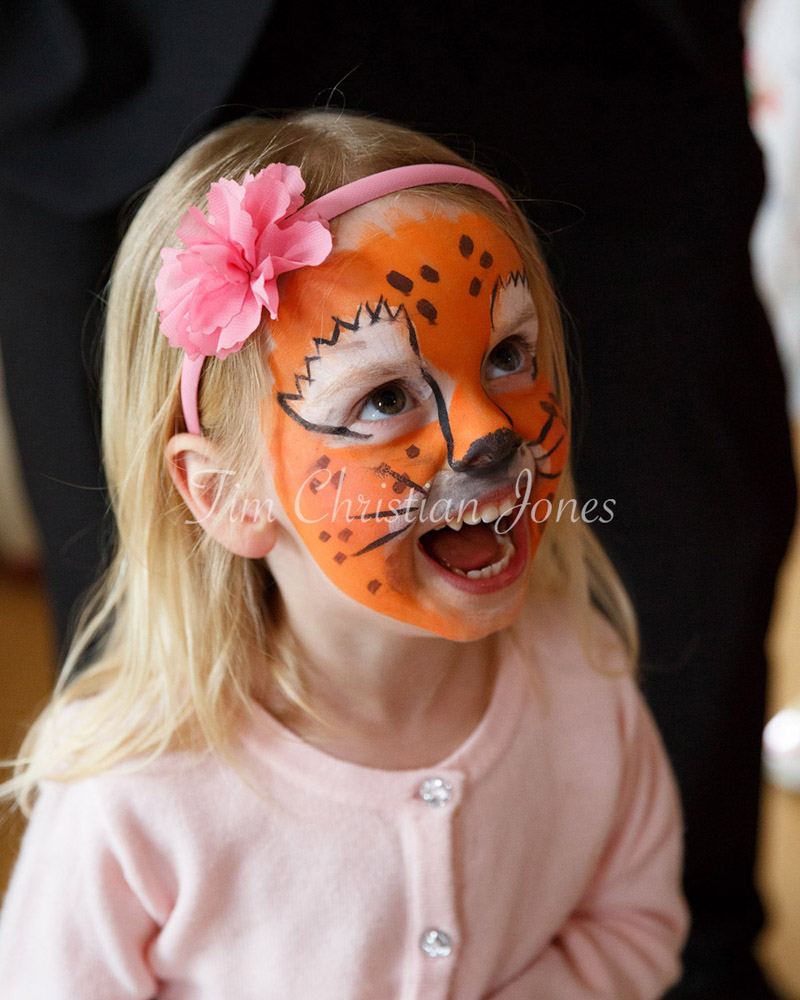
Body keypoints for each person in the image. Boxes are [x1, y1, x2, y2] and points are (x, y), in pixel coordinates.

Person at [0, 110, 687, 998]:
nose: (490, 435)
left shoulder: (583, 686)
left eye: (511, 354)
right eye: (386, 396)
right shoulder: (136, 795)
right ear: (225, 495)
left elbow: (634, 929)